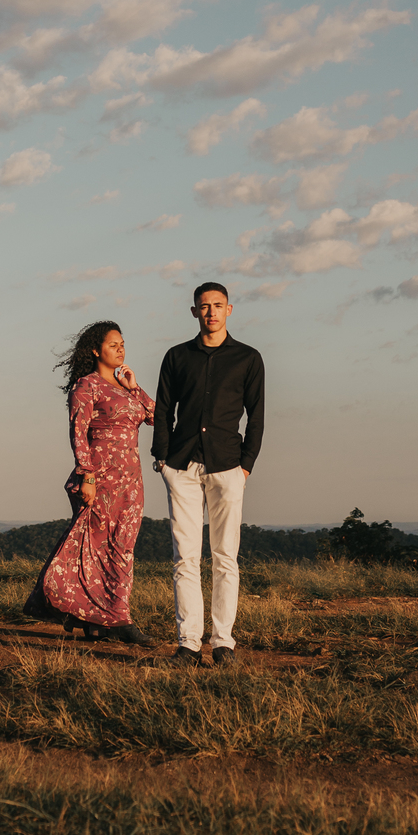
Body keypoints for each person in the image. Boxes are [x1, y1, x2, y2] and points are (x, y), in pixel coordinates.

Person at [152, 282, 264, 668]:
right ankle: (188, 645)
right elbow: (163, 409)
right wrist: (162, 459)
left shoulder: (248, 358)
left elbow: (257, 415)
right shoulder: (176, 356)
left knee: (225, 557)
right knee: (184, 558)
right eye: (204, 306)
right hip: (181, 466)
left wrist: (246, 465)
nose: (211, 312)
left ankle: (222, 644)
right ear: (194, 312)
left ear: (229, 309)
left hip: (228, 466)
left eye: (218, 305)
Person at [23, 319, 155, 646]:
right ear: (96, 350)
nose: (120, 349)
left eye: (122, 344)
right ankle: (116, 619)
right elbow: (78, 433)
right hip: (100, 477)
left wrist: (134, 387)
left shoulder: (125, 387)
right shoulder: (86, 386)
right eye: (113, 345)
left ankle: (100, 619)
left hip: (131, 480)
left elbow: (156, 417)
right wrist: (88, 475)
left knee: (122, 548)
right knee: (95, 550)